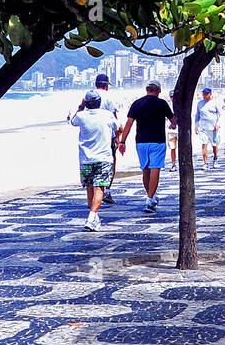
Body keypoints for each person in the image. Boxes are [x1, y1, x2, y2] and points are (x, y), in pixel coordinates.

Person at [118, 81, 175, 213]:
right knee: (155, 169)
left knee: (145, 169)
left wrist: (122, 141)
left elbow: (129, 123)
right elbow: (173, 120)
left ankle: (151, 196)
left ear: (147, 89)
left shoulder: (137, 103)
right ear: (158, 91)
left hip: (141, 142)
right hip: (157, 141)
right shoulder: (162, 103)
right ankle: (149, 199)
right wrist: (172, 125)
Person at [69, 91, 119, 231]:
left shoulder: (81, 116)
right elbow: (118, 127)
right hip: (103, 158)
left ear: (87, 103)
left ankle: (93, 216)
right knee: (100, 187)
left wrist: (81, 105)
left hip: (86, 158)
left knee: (90, 186)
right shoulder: (107, 115)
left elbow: (72, 121)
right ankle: (92, 216)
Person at [89, 74, 123, 204]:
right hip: (107, 134)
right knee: (110, 161)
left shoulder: (89, 94)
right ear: (106, 85)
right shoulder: (110, 97)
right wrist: (117, 137)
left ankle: (92, 192)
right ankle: (106, 190)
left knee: (92, 160)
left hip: (92, 133)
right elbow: (114, 117)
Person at [195, 87, 222, 169]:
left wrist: (218, 124)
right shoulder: (200, 103)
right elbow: (197, 115)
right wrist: (196, 126)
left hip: (213, 127)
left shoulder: (215, 103)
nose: (204, 95)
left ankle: (215, 159)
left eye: (206, 94)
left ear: (210, 94)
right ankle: (205, 163)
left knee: (214, 145)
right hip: (203, 127)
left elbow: (220, 114)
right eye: (203, 93)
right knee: (204, 145)